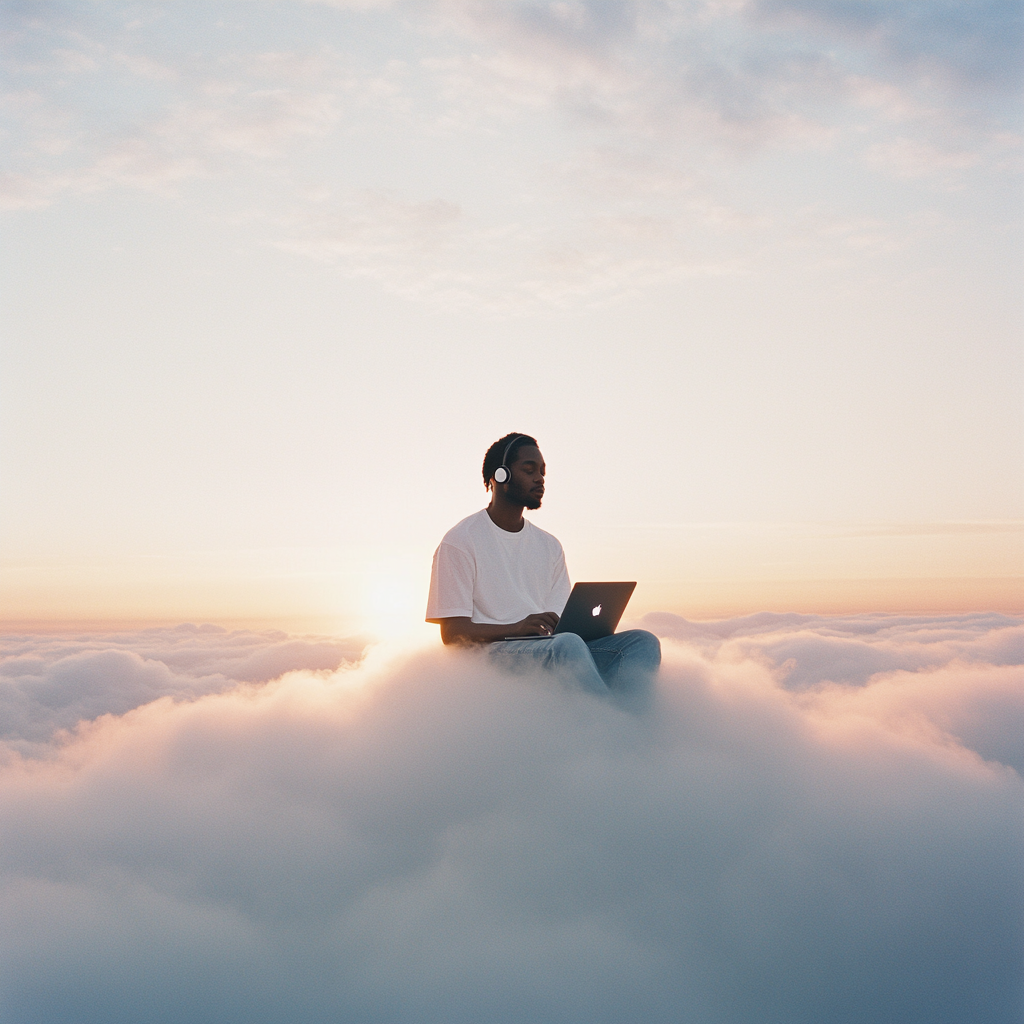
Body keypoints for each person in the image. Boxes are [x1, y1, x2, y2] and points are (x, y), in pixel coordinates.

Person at [426, 432, 661, 697]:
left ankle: (635, 722)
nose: (540, 479)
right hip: (488, 654)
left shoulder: (549, 545)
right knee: (567, 646)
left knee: (642, 642)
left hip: (549, 647)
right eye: (529, 470)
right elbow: (453, 634)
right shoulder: (460, 541)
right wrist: (516, 629)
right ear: (500, 475)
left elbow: (562, 622)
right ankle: (607, 727)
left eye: (542, 472)